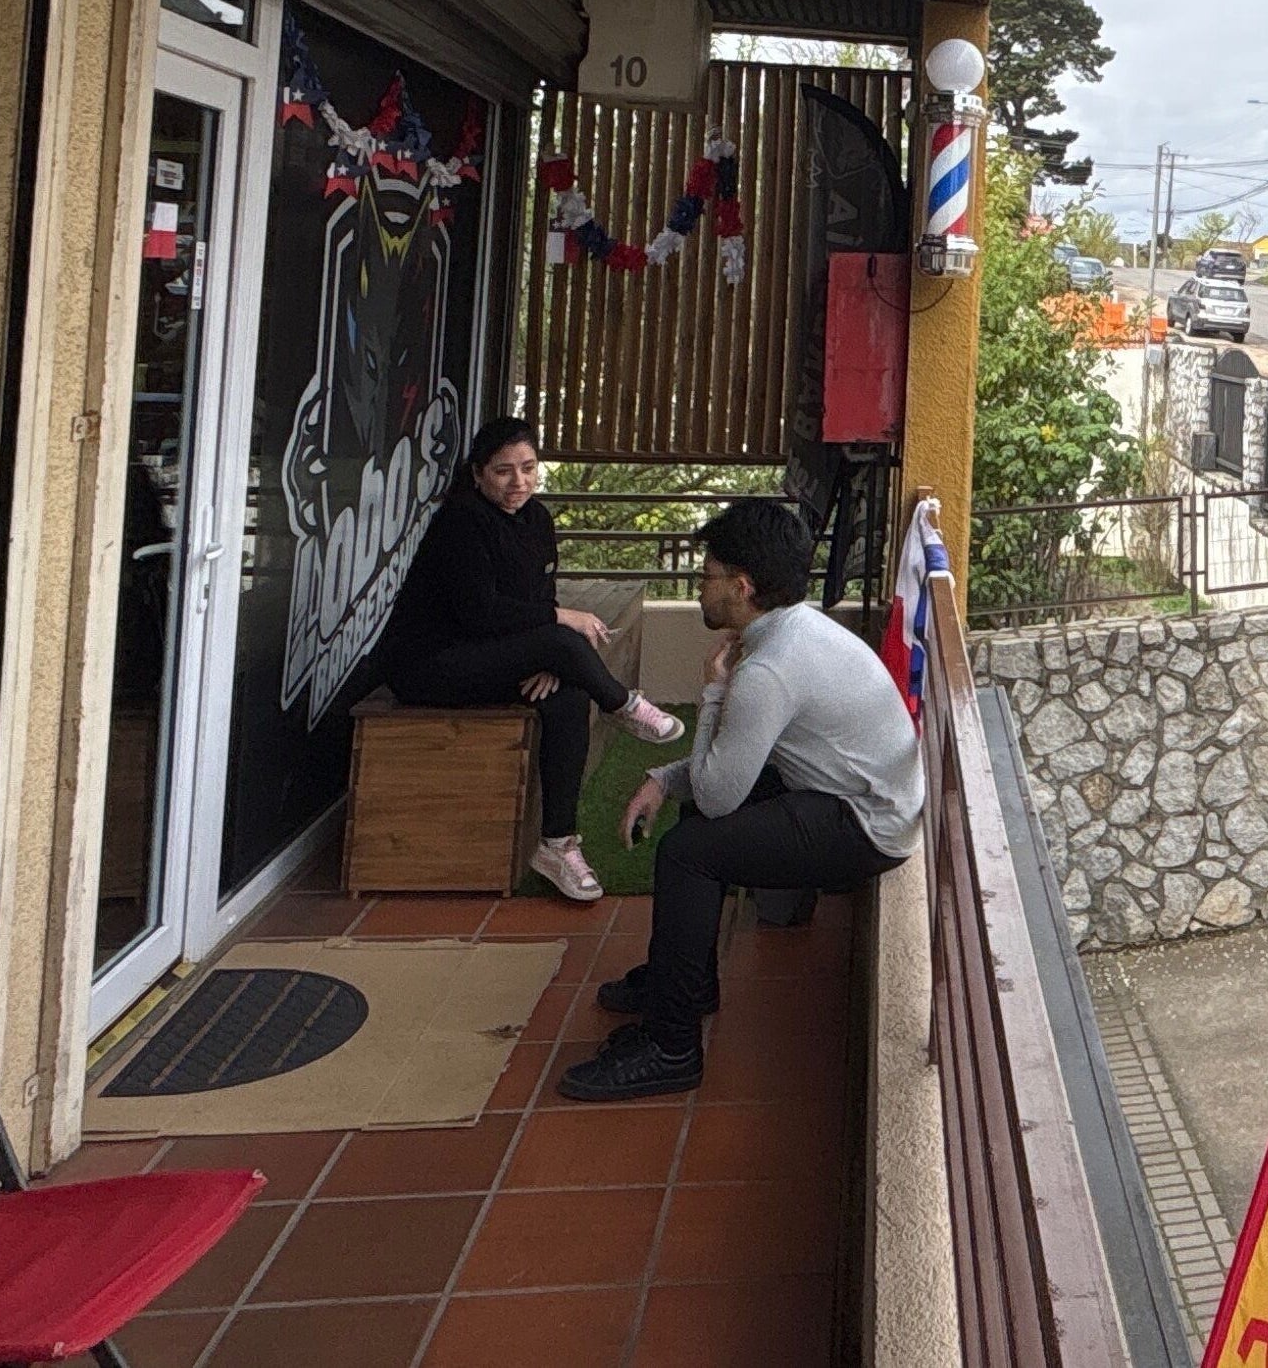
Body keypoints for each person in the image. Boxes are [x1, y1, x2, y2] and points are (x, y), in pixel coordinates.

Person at [557, 496, 922, 1100]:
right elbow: (730, 768)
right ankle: (687, 986)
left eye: (707, 576)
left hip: (867, 824)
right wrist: (663, 779)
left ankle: (672, 1047)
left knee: (688, 851)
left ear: (743, 586)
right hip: (855, 793)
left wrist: (711, 696)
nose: (700, 587)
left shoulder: (768, 668)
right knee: (698, 812)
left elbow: (721, 794)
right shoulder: (792, 628)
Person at [386, 416, 683, 901]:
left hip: (488, 656)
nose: (518, 482)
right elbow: (480, 612)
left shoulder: (537, 519)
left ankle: (557, 844)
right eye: (503, 471)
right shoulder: (461, 520)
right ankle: (623, 706)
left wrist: (549, 658)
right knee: (569, 638)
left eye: (528, 467)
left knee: (565, 697)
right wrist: (557, 630)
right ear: (479, 473)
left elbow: (533, 603)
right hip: (431, 665)